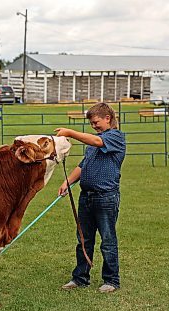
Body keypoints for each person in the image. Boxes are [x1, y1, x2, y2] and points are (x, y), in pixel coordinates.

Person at [55, 102, 126, 293]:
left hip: (105, 198)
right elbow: (82, 166)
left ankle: (111, 280)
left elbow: (96, 142)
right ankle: (80, 278)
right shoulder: (94, 141)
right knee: (84, 240)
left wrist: (70, 133)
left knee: (107, 240)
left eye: (96, 122)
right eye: (92, 124)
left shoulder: (115, 137)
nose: (94, 126)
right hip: (86, 198)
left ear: (107, 118)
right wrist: (67, 182)